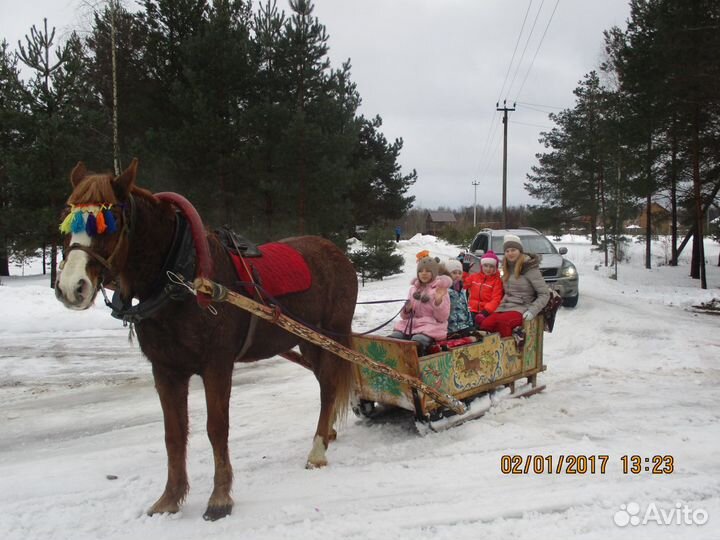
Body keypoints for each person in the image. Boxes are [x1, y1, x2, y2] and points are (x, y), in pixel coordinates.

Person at [479, 235, 550, 338]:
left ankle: (509, 352)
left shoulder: (529, 268)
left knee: (503, 323)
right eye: (507, 251)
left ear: (520, 251)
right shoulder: (506, 268)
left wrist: (532, 311)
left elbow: (544, 293)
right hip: (504, 307)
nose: (510, 253)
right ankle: (491, 352)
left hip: (522, 308)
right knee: (485, 324)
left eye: (513, 250)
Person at [390, 255, 452, 354]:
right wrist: (407, 309)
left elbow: (442, 318)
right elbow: (404, 317)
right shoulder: (413, 289)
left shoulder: (440, 290)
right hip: (412, 325)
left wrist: (438, 302)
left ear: (434, 273)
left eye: (427, 271)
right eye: (420, 271)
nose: (423, 273)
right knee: (394, 338)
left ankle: (416, 363)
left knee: (417, 341)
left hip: (432, 326)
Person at [463, 250, 504, 327]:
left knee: (481, 327)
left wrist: (485, 312)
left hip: (486, 312)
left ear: (495, 268)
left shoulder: (497, 281)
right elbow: (463, 285)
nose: (488, 269)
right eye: (486, 266)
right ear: (482, 266)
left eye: (491, 266)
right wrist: (465, 272)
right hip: (471, 310)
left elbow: (496, 300)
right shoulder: (474, 277)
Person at [443, 258, 474, 336]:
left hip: (463, 326)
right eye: (454, 273)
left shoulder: (462, 290)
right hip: (451, 328)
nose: (457, 275)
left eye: (459, 273)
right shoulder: (445, 290)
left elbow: (466, 309)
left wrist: (470, 323)